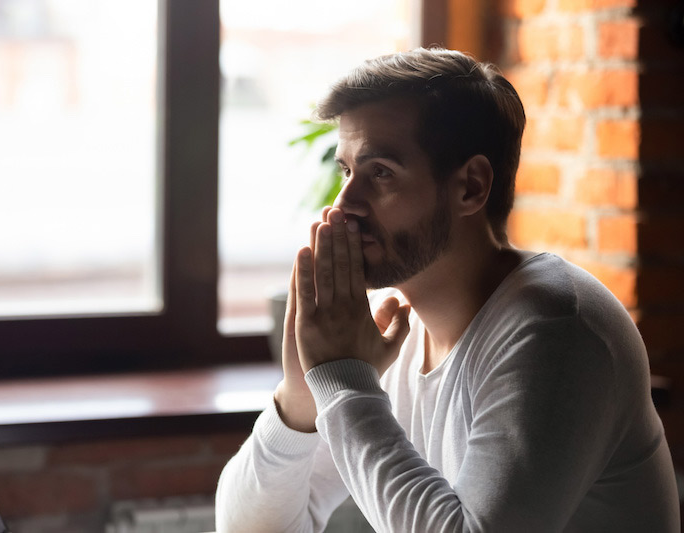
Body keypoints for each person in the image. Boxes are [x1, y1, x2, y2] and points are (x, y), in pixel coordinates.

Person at [215, 48, 680, 532]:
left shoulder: (558, 329)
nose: (343, 204)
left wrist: (343, 381)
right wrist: (299, 399)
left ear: (470, 187)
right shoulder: (391, 332)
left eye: (381, 173)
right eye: (347, 171)